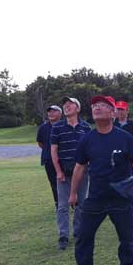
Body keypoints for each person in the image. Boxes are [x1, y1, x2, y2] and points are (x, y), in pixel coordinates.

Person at [62, 95, 133, 265]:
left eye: (103, 106)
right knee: (84, 237)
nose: (97, 108)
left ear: (113, 113)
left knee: (126, 237)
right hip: (96, 197)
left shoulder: (125, 138)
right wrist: (73, 193)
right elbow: (79, 168)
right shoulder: (87, 139)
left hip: (122, 197)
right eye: (94, 106)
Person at [51, 96, 91, 250]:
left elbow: (89, 150)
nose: (66, 106)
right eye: (65, 104)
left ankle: (78, 232)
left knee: (81, 204)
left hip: (82, 173)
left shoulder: (86, 127)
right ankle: (63, 235)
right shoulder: (57, 128)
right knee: (62, 206)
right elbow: (54, 151)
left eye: (70, 104)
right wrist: (58, 171)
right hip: (64, 174)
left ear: (78, 108)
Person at [36, 105, 62, 210]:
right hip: (49, 160)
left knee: (66, 182)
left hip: (63, 160)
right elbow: (40, 143)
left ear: (60, 114)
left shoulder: (64, 126)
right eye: (49, 112)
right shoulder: (43, 127)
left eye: (54, 111)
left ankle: (73, 201)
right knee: (53, 183)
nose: (51, 113)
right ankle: (58, 204)